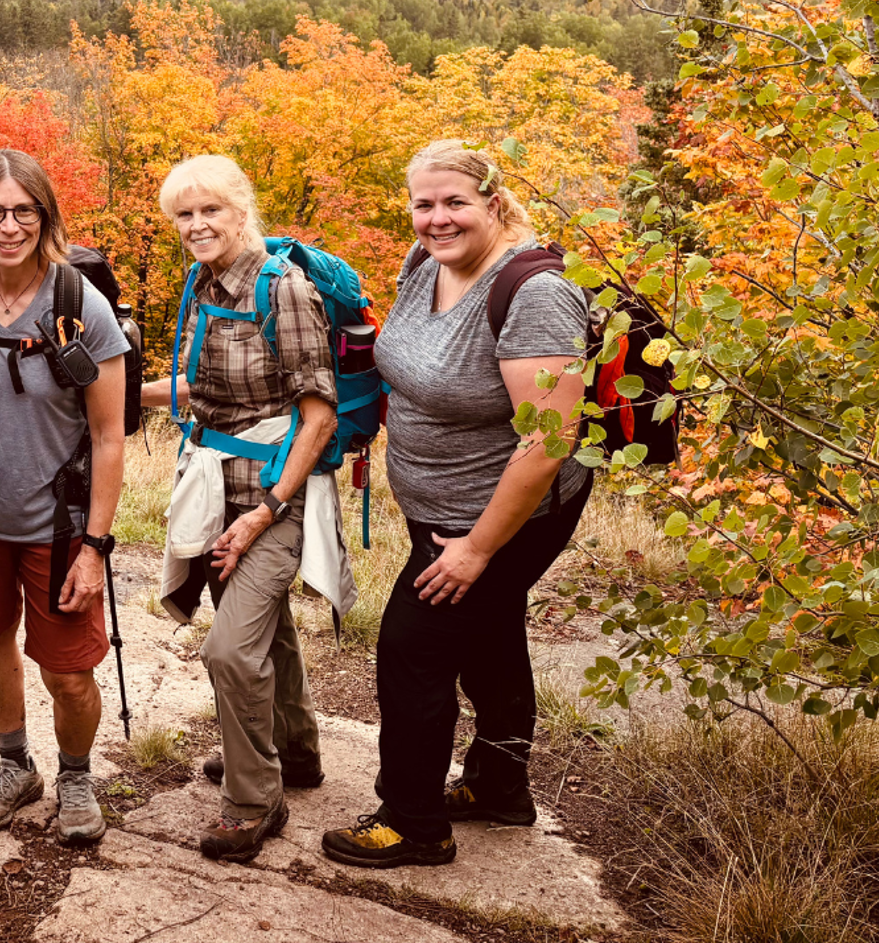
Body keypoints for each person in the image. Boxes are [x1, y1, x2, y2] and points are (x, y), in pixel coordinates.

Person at [319, 138, 589, 871]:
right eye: (423, 203)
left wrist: (475, 549)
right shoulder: (425, 265)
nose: (436, 219)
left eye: (454, 202)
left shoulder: (534, 296)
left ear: (493, 203)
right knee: (490, 632)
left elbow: (547, 443)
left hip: (505, 516)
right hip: (439, 505)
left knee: (412, 651)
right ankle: (500, 785)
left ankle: (414, 822)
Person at [0, 149, 128, 846]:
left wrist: (96, 548)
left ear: (45, 216)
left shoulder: (80, 304)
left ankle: (75, 774)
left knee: (69, 674)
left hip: (59, 526)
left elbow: (108, 435)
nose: (8, 225)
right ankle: (16, 765)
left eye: (23, 210)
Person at [146, 155, 338, 863]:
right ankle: (295, 749)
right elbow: (201, 387)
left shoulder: (281, 289)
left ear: (240, 209)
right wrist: (100, 384)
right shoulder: (203, 282)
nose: (196, 226)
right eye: (183, 215)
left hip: (274, 494)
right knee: (264, 628)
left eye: (210, 211)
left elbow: (317, 420)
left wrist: (266, 510)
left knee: (229, 647)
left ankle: (256, 799)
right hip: (214, 481)